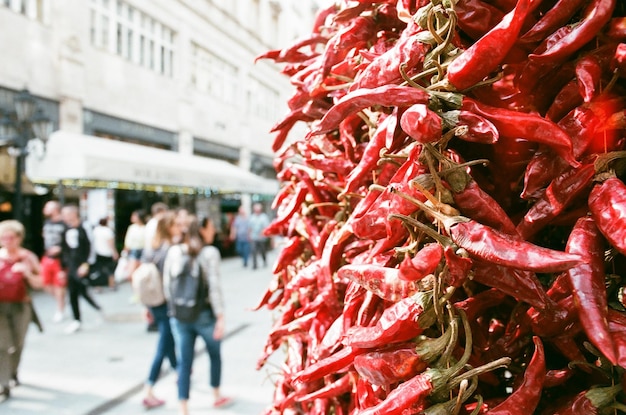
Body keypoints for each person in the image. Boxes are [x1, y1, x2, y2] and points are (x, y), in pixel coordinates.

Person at [163, 215, 231, 414]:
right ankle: (216, 395)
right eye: (211, 228)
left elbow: (167, 284)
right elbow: (214, 288)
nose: (214, 232)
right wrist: (221, 316)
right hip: (204, 315)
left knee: (184, 361)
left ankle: (183, 405)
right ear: (202, 229)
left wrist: (175, 309)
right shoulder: (210, 253)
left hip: (180, 315)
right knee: (215, 354)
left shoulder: (175, 251)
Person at [140, 211, 180, 409]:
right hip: (166, 305)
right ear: (168, 228)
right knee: (163, 346)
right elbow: (170, 283)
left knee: (169, 341)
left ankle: (179, 371)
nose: (179, 228)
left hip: (154, 303)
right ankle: (149, 389)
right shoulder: (169, 250)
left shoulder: (150, 249)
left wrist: (146, 306)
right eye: (175, 225)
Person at [0, 220, 43, 399]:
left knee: (17, 344)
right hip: (1, 307)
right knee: (2, 346)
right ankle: (4, 383)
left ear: (19, 238)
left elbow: (41, 283)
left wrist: (27, 273)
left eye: (10, 237)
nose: (6, 241)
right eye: (3, 237)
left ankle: (13, 372)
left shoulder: (28, 257)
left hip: (21, 306)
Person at [61, 205, 103, 334]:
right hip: (72, 265)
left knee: (83, 290)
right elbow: (65, 249)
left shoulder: (85, 227)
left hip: (82, 263)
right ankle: (76, 319)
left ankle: (97, 309)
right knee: (73, 292)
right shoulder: (66, 229)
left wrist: (86, 264)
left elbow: (91, 246)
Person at [40, 200, 67, 322]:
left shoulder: (64, 223)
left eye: (47, 206)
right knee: (45, 284)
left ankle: (60, 310)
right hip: (47, 257)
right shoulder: (47, 222)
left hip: (59, 260)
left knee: (59, 285)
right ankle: (61, 302)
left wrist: (60, 248)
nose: (45, 208)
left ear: (55, 208)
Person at [91, 217, 119, 290]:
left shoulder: (95, 230)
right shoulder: (108, 231)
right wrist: (114, 252)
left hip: (98, 253)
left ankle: (97, 286)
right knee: (110, 270)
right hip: (107, 253)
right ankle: (111, 285)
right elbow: (111, 244)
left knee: (98, 270)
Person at [248, 203, 270, 269]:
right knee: (253, 250)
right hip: (254, 237)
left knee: (262, 250)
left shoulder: (264, 217)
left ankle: (264, 260)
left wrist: (262, 234)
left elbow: (266, 227)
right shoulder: (252, 217)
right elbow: (250, 227)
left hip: (261, 237)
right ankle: (255, 265)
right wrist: (249, 235)